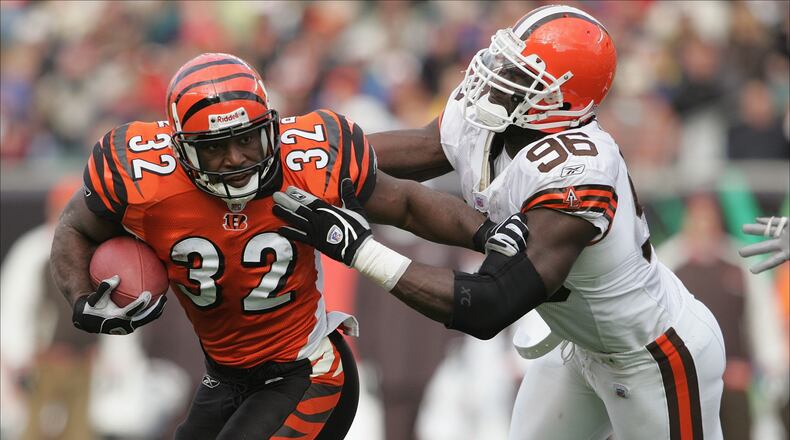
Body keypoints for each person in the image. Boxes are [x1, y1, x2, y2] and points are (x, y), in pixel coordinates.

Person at [273, 5, 726, 439]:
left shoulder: (579, 173)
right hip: (575, 344)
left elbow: (489, 303)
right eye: (505, 61)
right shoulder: (497, 117)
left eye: (521, 74)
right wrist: (296, 160)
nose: (498, 78)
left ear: (560, 98)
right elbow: (420, 147)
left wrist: (360, 250)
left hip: (651, 356)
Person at [50, 53, 489, 439]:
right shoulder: (137, 170)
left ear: (271, 127)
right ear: (180, 148)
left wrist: (488, 233)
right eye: (216, 147)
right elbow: (73, 227)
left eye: (247, 139)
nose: (237, 158)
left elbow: (409, 205)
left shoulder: (307, 158)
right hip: (225, 376)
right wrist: (83, 300)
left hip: (309, 372)